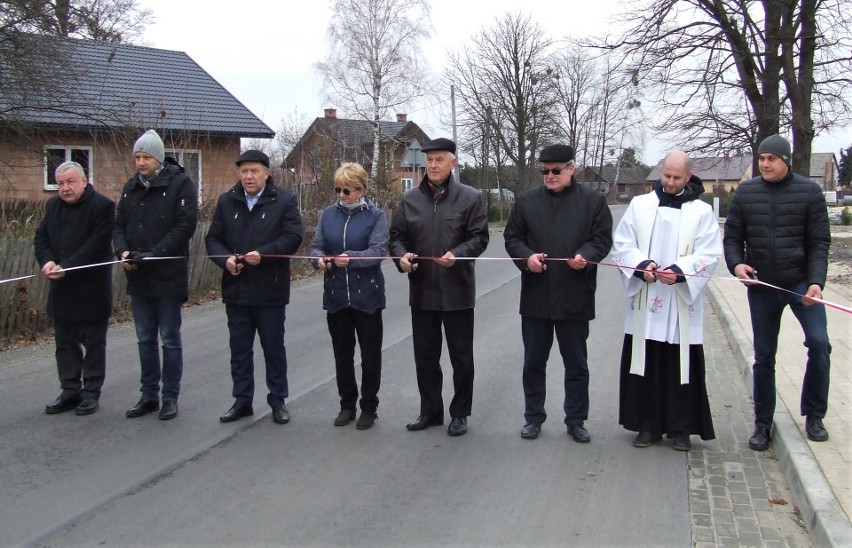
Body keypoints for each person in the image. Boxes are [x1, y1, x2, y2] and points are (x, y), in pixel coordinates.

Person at [724, 134, 832, 451]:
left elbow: (819, 242)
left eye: (772, 158)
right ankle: (762, 424)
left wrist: (816, 282)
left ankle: (814, 414)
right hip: (762, 285)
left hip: (801, 283)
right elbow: (732, 237)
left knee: (820, 343)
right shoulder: (746, 193)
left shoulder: (809, 193)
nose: (765, 164)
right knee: (764, 357)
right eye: (761, 158)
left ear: (786, 161)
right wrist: (737, 265)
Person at [611, 150, 721, 451]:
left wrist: (682, 272)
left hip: (680, 303)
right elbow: (622, 244)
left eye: (676, 177)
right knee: (645, 360)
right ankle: (646, 425)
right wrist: (641, 264)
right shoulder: (640, 205)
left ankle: (681, 428)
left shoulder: (701, 212)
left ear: (688, 176)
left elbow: (710, 253)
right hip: (647, 297)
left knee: (679, 363)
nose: (670, 182)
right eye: (666, 176)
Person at [504, 144, 613, 443]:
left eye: (556, 171)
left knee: (576, 363)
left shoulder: (592, 202)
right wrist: (526, 258)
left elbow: (602, 238)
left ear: (571, 169)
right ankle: (533, 417)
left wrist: (585, 255)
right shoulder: (527, 202)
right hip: (536, 296)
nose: (549, 176)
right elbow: (512, 238)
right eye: (545, 171)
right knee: (534, 362)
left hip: (574, 295)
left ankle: (576, 419)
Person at [389, 137, 489, 437]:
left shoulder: (470, 198)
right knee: (426, 356)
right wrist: (400, 256)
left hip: (457, 292)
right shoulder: (409, 200)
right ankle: (430, 411)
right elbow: (396, 237)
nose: (433, 165)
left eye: (439, 160)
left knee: (461, 358)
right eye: (429, 160)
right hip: (422, 291)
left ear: (453, 163)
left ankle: (460, 413)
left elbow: (480, 238)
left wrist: (457, 255)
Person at [206, 150, 304, 425]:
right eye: (244, 171)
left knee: (273, 347)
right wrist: (224, 260)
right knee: (239, 349)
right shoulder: (227, 202)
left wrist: (264, 254)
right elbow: (212, 239)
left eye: (254, 171)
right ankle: (242, 400)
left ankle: (278, 400)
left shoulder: (283, 201)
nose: (248, 176)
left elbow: (293, 237)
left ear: (266, 173)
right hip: (236, 288)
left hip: (270, 289)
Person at [114, 129, 198, 421]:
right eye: (137, 157)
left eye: (146, 157)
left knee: (169, 338)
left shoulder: (180, 184)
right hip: (139, 277)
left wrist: (153, 254)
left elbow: (184, 227)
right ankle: (148, 395)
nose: (140, 162)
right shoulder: (130, 188)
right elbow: (119, 225)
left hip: (167, 275)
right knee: (144, 338)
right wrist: (123, 252)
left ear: (158, 158)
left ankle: (170, 397)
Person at [309, 163, 388, 430]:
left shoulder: (376, 216)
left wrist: (351, 259)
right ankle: (346, 404)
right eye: (338, 190)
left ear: (361, 190)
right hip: (337, 296)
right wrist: (318, 260)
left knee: (370, 355)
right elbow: (316, 247)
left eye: (347, 190)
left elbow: (378, 251)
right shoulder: (327, 215)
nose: (341, 195)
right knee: (342, 354)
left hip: (367, 296)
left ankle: (369, 406)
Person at [34, 161, 115, 416]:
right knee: (65, 343)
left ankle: (91, 392)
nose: (65, 188)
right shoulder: (53, 206)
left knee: (93, 343)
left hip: (91, 287)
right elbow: (41, 237)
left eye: (70, 182)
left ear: (83, 181)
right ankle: (69, 390)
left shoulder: (102, 206)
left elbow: (96, 245)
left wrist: (67, 266)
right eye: (60, 183)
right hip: (62, 289)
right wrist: (47, 261)